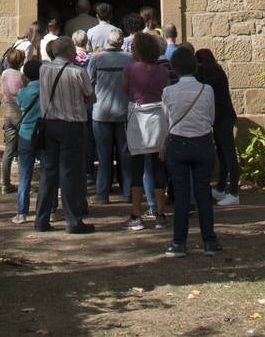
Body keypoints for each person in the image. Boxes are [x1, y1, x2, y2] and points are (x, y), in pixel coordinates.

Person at [161, 45, 223, 256]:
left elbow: (166, 120)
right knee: (203, 193)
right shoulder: (207, 90)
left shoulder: (168, 91)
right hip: (203, 143)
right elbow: (211, 117)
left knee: (181, 195)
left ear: (175, 68)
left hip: (178, 143)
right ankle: (209, 241)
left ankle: (179, 243)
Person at [35, 36, 96, 234]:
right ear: (70, 51)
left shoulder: (43, 69)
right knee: (69, 173)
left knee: (48, 172)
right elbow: (90, 97)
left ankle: (41, 219)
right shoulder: (77, 72)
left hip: (49, 125)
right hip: (72, 126)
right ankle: (73, 220)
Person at [122, 30, 170, 230]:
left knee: (137, 166)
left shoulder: (130, 70)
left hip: (138, 118)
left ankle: (136, 214)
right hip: (158, 118)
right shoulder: (164, 71)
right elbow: (165, 91)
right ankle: (160, 213)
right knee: (158, 166)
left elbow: (125, 90)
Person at [91, 27, 133, 204]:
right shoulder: (130, 59)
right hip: (123, 112)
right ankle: (128, 191)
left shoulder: (97, 59)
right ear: (122, 42)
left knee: (104, 154)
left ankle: (102, 194)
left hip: (101, 112)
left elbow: (89, 82)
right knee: (125, 153)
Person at [195, 48, 240, 207]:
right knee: (222, 154)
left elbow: (202, 86)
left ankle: (234, 192)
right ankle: (221, 188)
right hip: (220, 118)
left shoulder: (214, 75)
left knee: (229, 155)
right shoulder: (215, 72)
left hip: (224, 118)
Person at [13, 57, 42, 225]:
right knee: (47, 172)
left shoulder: (23, 92)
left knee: (25, 174)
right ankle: (50, 208)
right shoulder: (47, 90)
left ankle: (22, 212)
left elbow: (19, 104)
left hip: (26, 134)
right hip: (43, 133)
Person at [0, 46, 27, 194]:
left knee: (8, 151)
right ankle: (23, 183)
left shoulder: (4, 74)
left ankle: (5, 183)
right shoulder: (21, 76)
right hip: (21, 113)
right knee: (23, 150)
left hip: (9, 112)